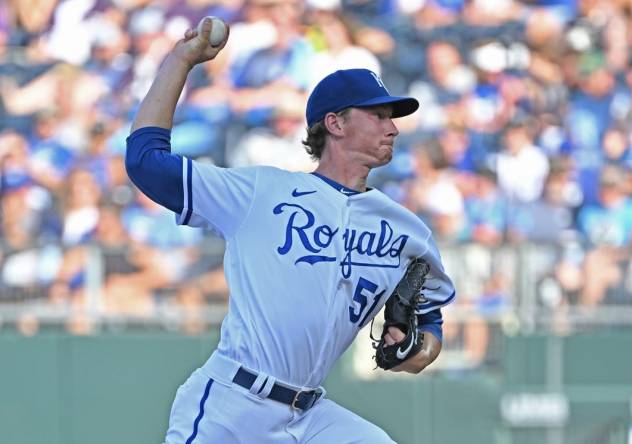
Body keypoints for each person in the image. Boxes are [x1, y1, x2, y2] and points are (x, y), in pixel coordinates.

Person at [125, 18, 455, 444]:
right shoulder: (261, 191)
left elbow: (429, 329)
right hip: (232, 405)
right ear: (335, 124)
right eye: (377, 115)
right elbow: (144, 162)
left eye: (390, 117)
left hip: (309, 416)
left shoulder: (405, 229)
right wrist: (180, 61)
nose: (392, 127)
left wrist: (414, 349)